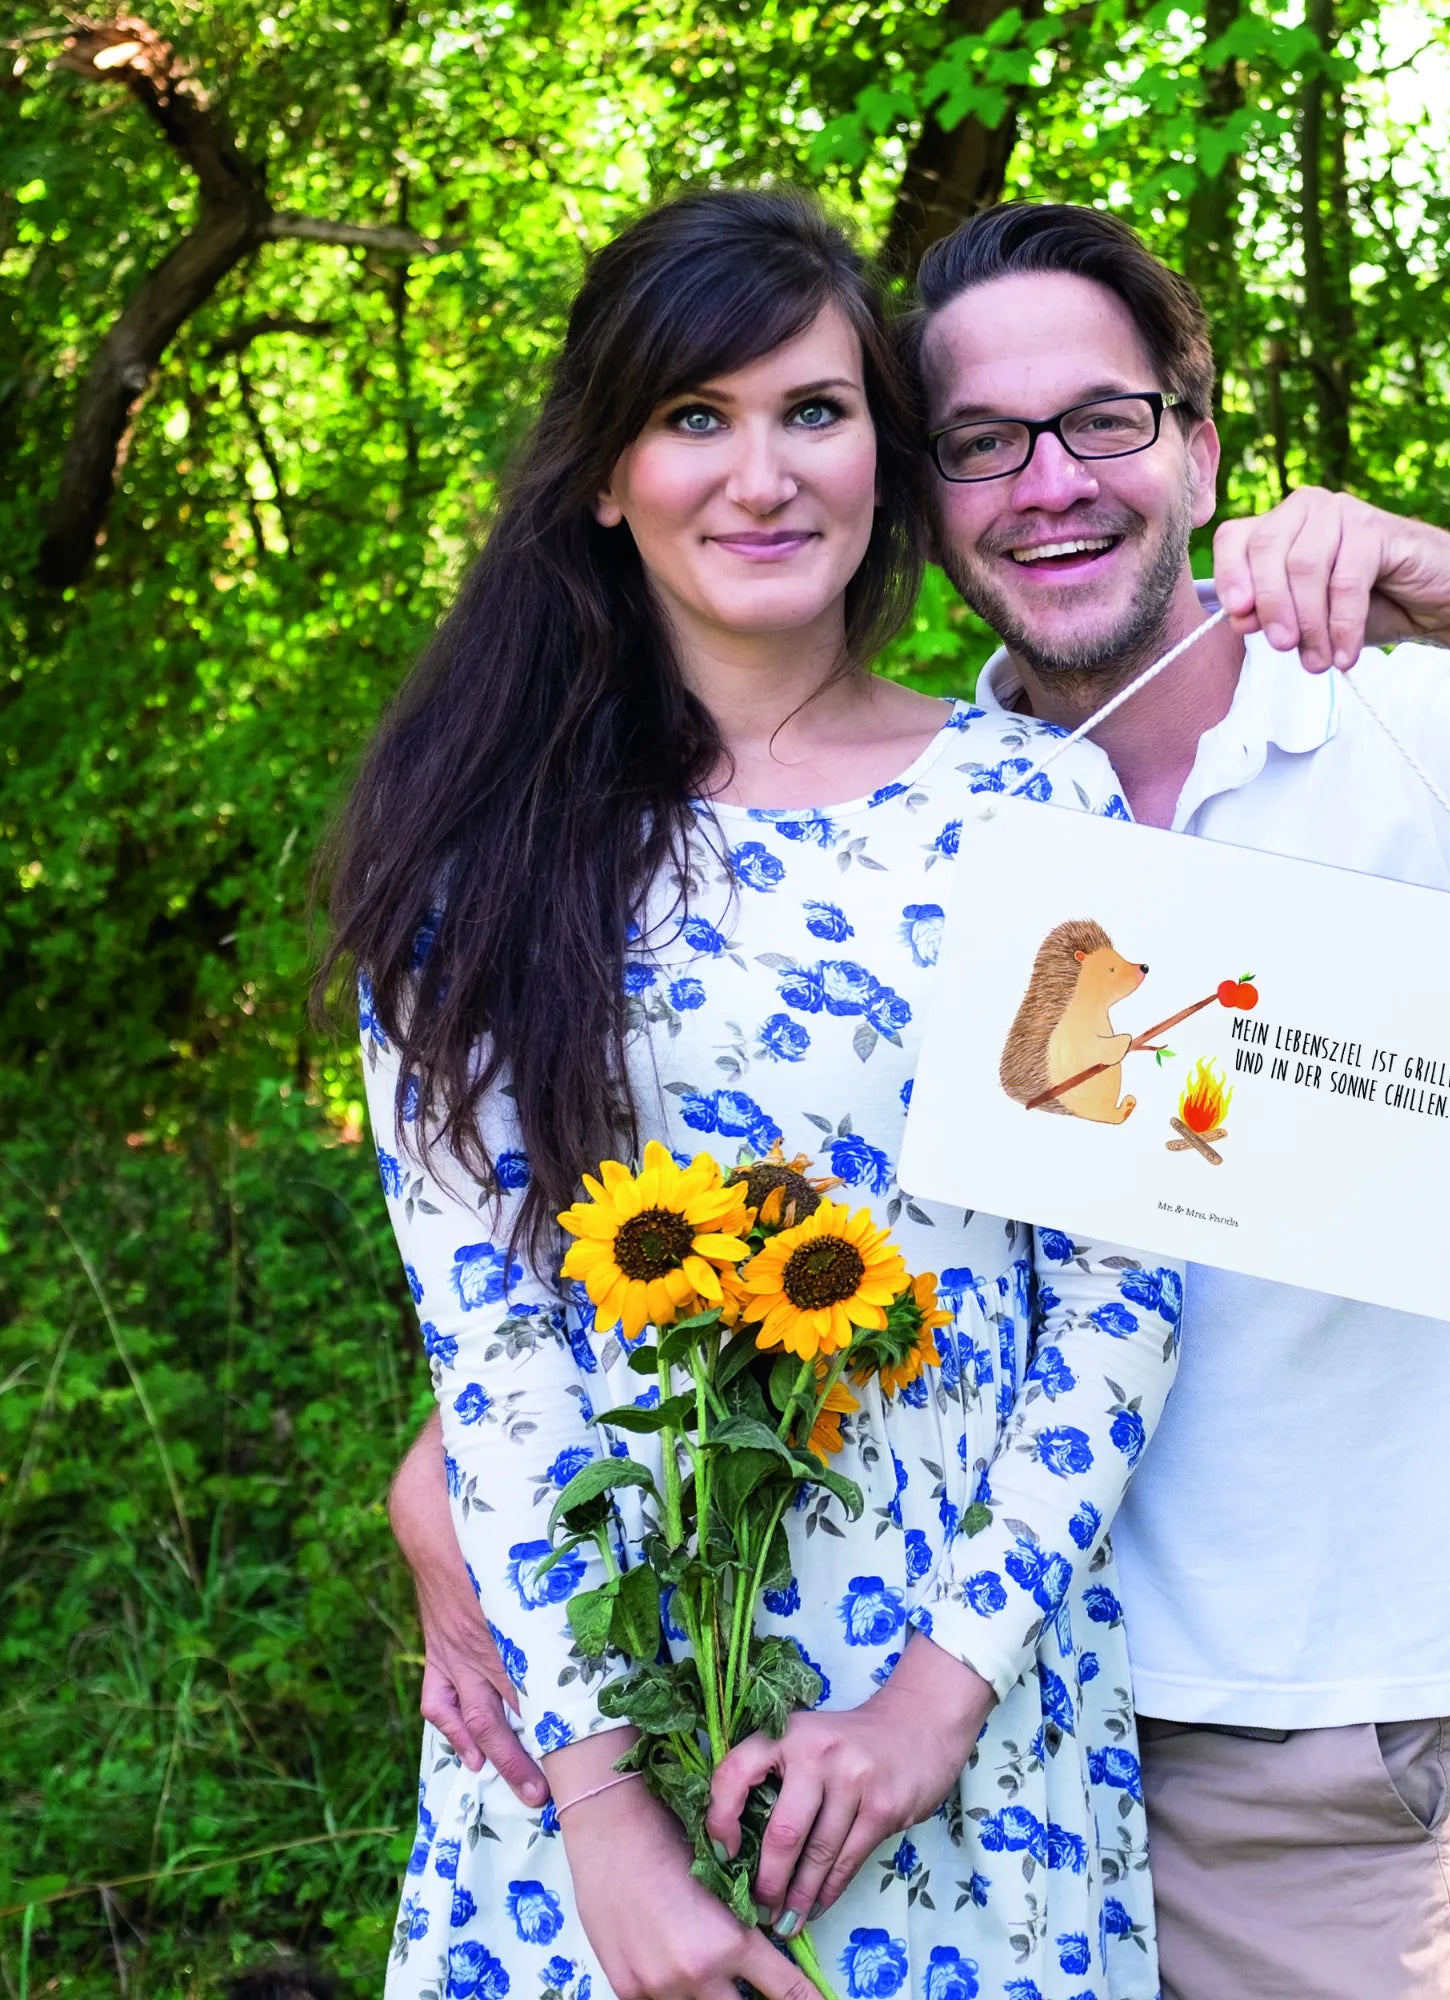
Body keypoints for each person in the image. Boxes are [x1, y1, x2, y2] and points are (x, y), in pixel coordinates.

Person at [394, 198, 1450, 1998]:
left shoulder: (1389, 730)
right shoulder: (923, 809)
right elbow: (667, 1217)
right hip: (825, 1700)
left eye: (1102, 421)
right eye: (982, 442)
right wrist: (458, 1478)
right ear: (927, 487)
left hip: (1273, 1736)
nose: (1049, 483)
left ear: (1200, 446)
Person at [324, 188, 1186, 2000]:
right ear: (604, 474)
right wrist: (606, 1824)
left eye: (815, 411)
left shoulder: (1039, 808)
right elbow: (494, 1346)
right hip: (594, 1722)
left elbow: (1124, 1288)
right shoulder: (479, 855)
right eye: (694, 417)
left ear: (885, 449)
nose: (764, 475)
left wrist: (934, 1705)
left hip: (962, 1725)